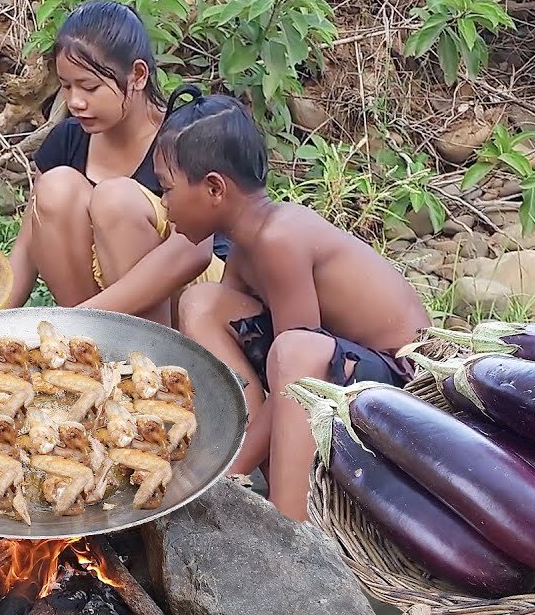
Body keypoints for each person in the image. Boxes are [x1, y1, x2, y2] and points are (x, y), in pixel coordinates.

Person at [154, 85, 432, 521]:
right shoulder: (245, 246)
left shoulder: (280, 238)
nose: (164, 204)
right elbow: (237, 338)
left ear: (213, 189)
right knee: (203, 303)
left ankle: (291, 526)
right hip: (336, 365)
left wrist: (228, 468)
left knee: (295, 350)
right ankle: (255, 455)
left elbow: (298, 370)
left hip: (402, 380)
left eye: (167, 190)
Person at [6, 0, 227, 326]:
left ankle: (149, 357)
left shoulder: (184, 137)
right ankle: (94, 357)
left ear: (137, 75)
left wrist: (81, 320)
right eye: (67, 86)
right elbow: (27, 248)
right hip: (103, 314)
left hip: (197, 303)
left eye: (90, 87)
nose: (75, 102)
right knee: (54, 188)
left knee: (116, 200)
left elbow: (193, 251)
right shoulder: (67, 140)